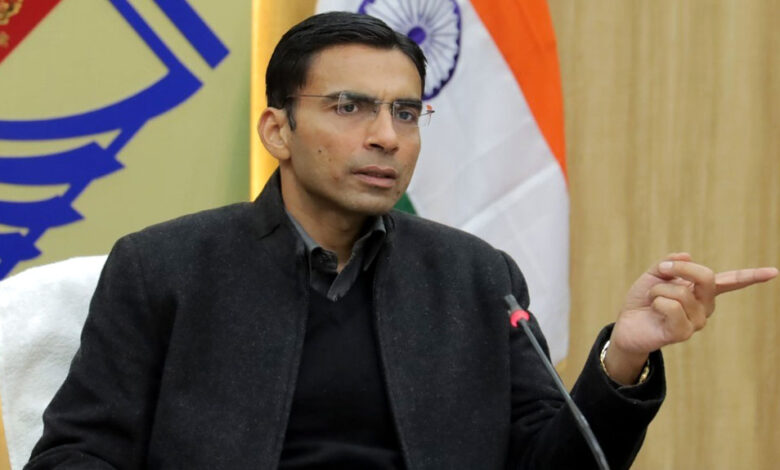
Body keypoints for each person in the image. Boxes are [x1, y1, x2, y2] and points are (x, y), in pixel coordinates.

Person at [25, 11, 777, 470]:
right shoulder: (165, 267)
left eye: (407, 113)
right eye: (350, 107)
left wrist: (624, 358)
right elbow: (75, 455)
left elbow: (552, 462)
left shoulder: (477, 276)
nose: (386, 136)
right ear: (278, 130)